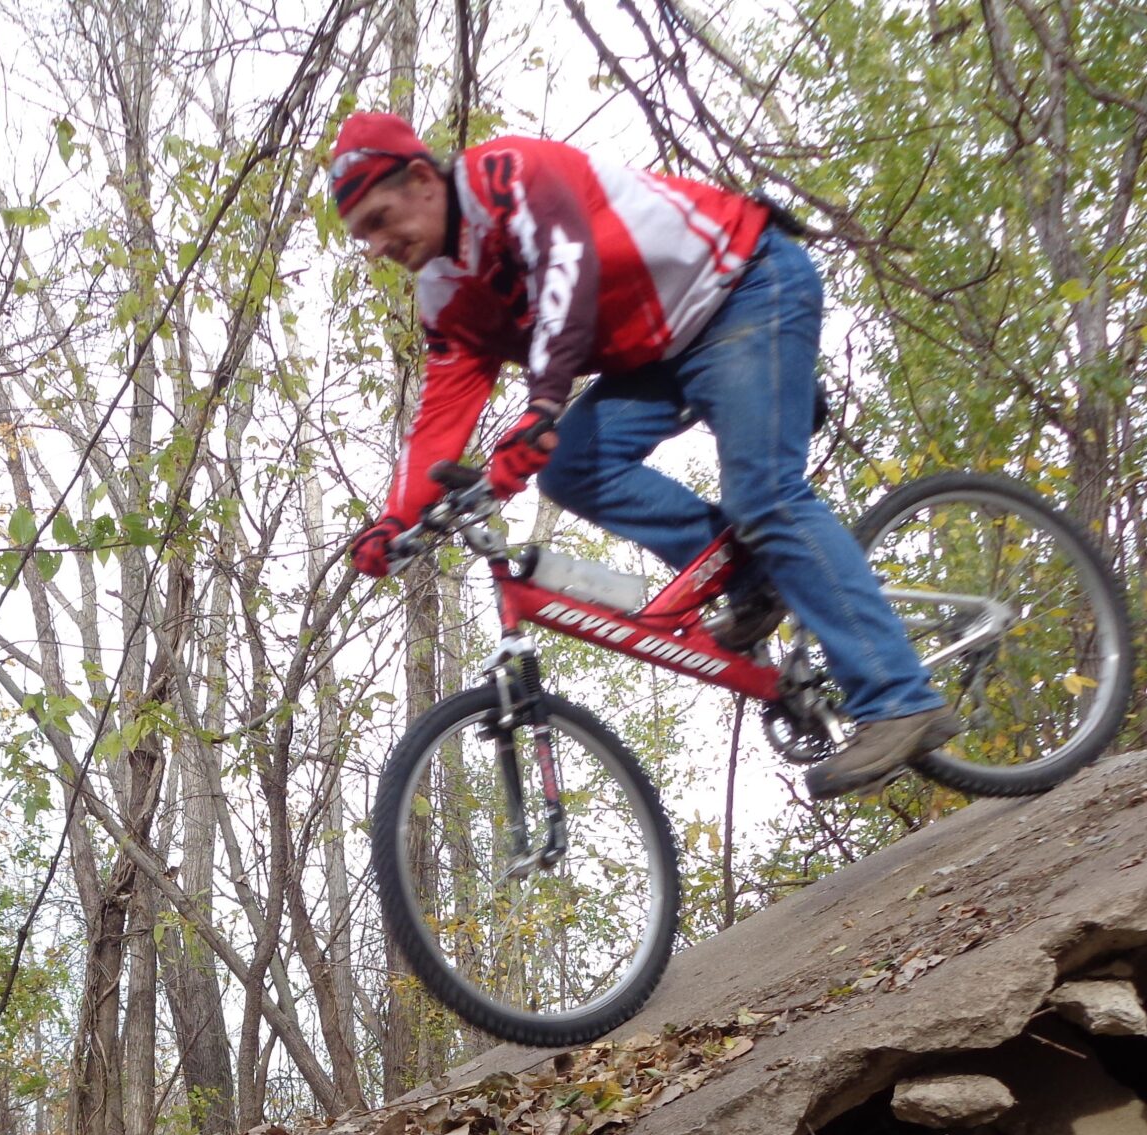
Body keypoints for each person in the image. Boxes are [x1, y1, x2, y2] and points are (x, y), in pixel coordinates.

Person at [329, 111, 956, 799]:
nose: (378, 246)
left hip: (743, 286)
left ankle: (899, 698)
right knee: (571, 467)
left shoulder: (505, 177)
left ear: (422, 179)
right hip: (658, 349)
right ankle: (753, 576)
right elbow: (443, 408)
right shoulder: (441, 291)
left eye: (380, 220)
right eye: (364, 236)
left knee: (764, 497)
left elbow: (566, 266)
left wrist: (542, 403)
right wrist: (395, 520)